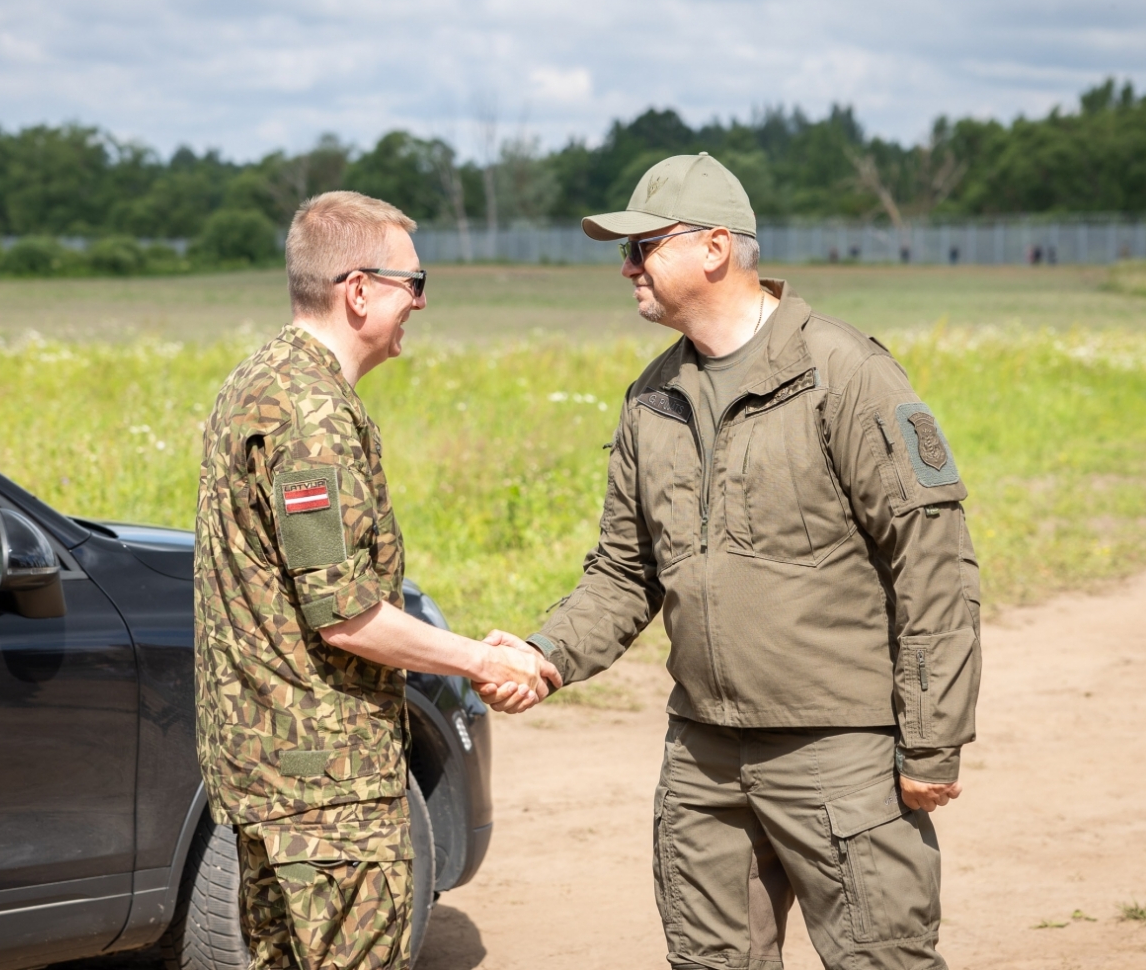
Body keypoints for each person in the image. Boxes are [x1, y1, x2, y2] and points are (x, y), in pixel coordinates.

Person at [481, 154, 980, 970]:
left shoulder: (844, 375)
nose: (626, 267)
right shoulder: (652, 398)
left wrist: (931, 739)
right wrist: (545, 655)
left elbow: (933, 563)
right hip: (704, 758)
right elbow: (625, 571)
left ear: (714, 247)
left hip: (838, 752)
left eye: (642, 247)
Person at [194, 191, 558, 970]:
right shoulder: (312, 414)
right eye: (413, 283)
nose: (419, 303)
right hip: (329, 789)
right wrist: (482, 659)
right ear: (358, 289)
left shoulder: (260, 380)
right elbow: (345, 614)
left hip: (272, 774)